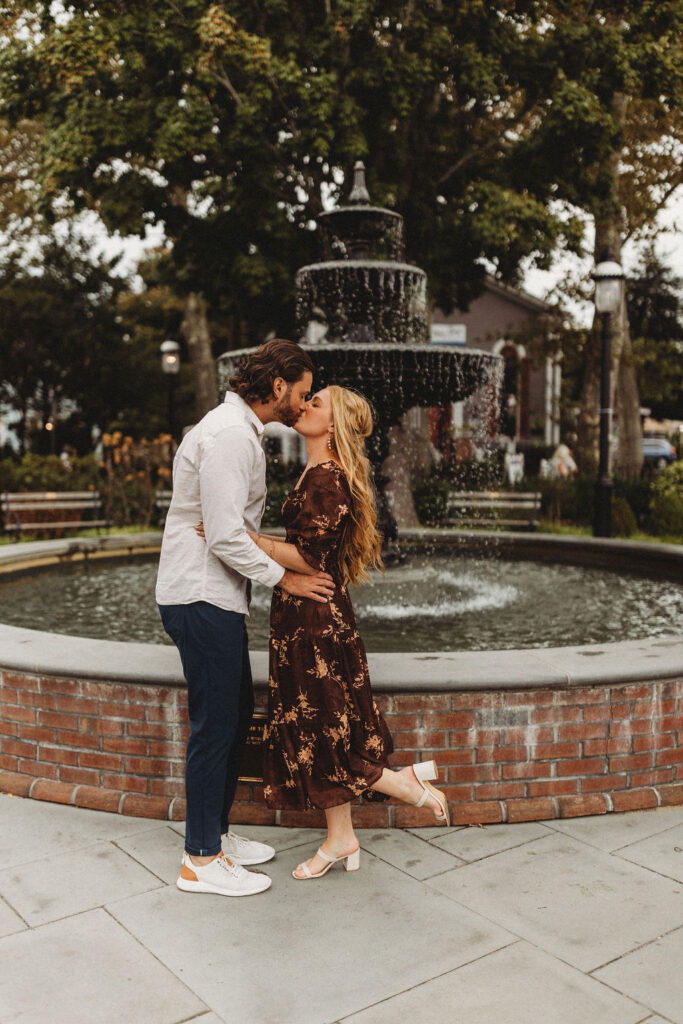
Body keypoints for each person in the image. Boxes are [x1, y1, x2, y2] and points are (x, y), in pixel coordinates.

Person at [210, 386, 450, 881]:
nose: (304, 406)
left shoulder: (328, 478)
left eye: (315, 403)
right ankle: (342, 838)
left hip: (313, 620)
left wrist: (245, 538)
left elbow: (311, 558)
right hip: (303, 613)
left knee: (322, 723)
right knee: (322, 721)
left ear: (334, 424)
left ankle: (403, 786)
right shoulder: (316, 472)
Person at [156, 338, 335, 898]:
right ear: (277, 386)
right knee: (216, 725)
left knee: (232, 715)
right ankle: (200, 860)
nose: (303, 405)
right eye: (301, 393)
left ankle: (217, 835)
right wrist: (288, 578)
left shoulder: (237, 431)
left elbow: (227, 529)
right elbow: (226, 534)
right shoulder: (232, 435)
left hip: (215, 598)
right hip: (201, 598)